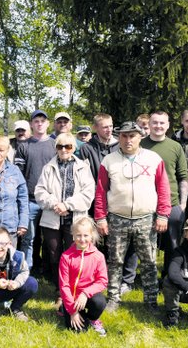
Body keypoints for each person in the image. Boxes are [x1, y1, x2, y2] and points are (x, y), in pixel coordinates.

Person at [94, 121, 171, 312]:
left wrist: (163, 214)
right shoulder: (109, 160)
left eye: (132, 136)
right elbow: (101, 191)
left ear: (140, 137)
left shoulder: (153, 159)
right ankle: (113, 297)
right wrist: (101, 218)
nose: (128, 140)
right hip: (117, 218)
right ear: (119, 137)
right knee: (115, 260)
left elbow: (163, 188)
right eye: (124, 136)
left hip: (145, 217)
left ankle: (151, 300)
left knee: (149, 261)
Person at [78, 113, 138, 294]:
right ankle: (96, 275)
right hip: (94, 200)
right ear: (96, 128)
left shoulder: (119, 146)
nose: (109, 129)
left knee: (123, 240)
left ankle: (126, 279)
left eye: (111, 126)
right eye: (104, 126)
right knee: (97, 240)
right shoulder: (87, 149)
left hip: (118, 199)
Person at [34, 133, 95, 294]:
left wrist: (67, 205)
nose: (64, 150)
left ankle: (74, 288)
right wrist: (56, 204)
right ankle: (60, 289)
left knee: (73, 256)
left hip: (75, 219)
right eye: (60, 146)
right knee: (54, 256)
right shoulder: (48, 167)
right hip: (52, 218)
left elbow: (88, 194)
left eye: (68, 146)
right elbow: (40, 192)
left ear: (74, 148)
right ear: (56, 148)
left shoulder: (83, 167)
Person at [141, 111, 188, 279]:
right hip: (143, 203)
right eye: (155, 123)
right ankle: (134, 278)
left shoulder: (175, 147)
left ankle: (169, 276)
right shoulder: (139, 145)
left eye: (162, 123)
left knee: (173, 244)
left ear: (168, 125)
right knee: (140, 243)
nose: (158, 126)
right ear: (150, 124)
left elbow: (183, 177)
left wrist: (182, 205)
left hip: (171, 203)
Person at [13, 109, 57, 269]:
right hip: (29, 200)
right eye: (36, 121)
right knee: (28, 239)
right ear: (31, 124)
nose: (39, 124)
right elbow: (17, 176)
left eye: (42, 121)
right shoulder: (24, 146)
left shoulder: (55, 145)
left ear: (48, 123)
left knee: (51, 239)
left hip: (51, 200)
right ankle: (26, 271)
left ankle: (49, 270)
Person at [58, 217, 107, 336]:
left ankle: (92, 319)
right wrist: (73, 312)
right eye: (78, 235)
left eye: (86, 235)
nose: (82, 239)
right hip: (71, 299)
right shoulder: (66, 257)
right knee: (80, 331)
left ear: (91, 236)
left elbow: (102, 281)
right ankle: (65, 309)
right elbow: (64, 285)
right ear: (73, 236)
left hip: (87, 297)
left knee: (100, 302)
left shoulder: (98, 256)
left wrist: (85, 293)